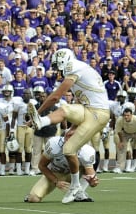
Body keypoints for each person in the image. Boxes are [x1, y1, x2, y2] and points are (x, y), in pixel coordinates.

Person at [28, 48, 110, 204]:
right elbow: (77, 104)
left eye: (58, 66)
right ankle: (41, 121)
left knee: (69, 149)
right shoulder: (81, 70)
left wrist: (38, 111)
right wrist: (38, 118)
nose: (58, 71)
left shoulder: (73, 67)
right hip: (89, 109)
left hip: (98, 113)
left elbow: (56, 96)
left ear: (63, 61)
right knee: (65, 108)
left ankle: (75, 186)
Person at [24, 129, 98, 203]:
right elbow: (41, 166)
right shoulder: (54, 144)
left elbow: (90, 174)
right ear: (64, 137)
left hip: (74, 174)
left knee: (86, 168)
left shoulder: (87, 151)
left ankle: (79, 193)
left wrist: (92, 182)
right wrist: (56, 181)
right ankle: (31, 194)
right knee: (33, 198)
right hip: (55, 173)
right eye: (69, 137)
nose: (70, 140)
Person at [113, 108, 136, 173]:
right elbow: (119, 131)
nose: (126, 117)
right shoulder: (120, 120)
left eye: (128, 115)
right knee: (121, 148)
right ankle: (120, 168)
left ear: (131, 115)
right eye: (125, 115)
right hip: (126, 133)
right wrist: (121, 142)